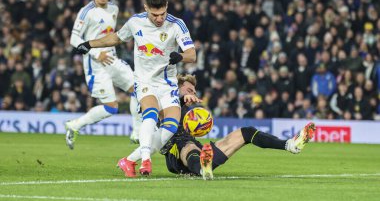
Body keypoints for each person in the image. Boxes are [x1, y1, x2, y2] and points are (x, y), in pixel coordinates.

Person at [75, 0, 196, 175]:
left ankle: (129, 160)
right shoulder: (135, 22)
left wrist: (179, 56)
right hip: (144, 80)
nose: (159, 18)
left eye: (162, 13)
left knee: (170, 127)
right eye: (154, 14)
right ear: (146, 8)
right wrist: (90, 43)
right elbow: (116, 37)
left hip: (167, 83)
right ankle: (146, 161)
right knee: (151, 113)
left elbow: (192, 54)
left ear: (167, 7)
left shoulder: (176, 25)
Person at [116, 74, 316, 180]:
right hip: (174, 152)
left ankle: (290, 145)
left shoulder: (186, 106)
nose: (192, 93)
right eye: (189, 89)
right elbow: (160, 114)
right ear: (177, 87)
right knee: (189, 147)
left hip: (194, 147)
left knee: (245, 132)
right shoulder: (162, 99)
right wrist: (182, 98)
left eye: (193, 90)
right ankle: (203, 168)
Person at [66, 0, 135, 149]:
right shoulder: (86, 12)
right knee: (112, 108)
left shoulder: (114, 8)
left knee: (139, 89)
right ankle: (74, 125)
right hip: (95, 64)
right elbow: (74, 39)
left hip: (112, 59)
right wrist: (97, 54)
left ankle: (137, 132)